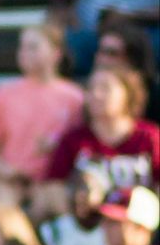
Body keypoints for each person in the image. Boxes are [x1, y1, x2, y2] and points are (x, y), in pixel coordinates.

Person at [0, 22, 87, 206]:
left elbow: (81, 143)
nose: (24, 52)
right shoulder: (5, 93)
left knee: (53, 202)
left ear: (56, 53)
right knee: (3, 209)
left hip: (53, 180)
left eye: (33, 46)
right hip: (9, 179)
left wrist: (57, 145)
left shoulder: (74, 97)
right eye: (22, 46)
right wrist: (3, 170)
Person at [43, 66, 160, 195]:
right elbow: (52, 187)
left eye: (105, 88)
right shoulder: (73, 140)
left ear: (127, 93)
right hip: (85, 214)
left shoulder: (149, 137)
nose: (96, 94)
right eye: (91, 88)